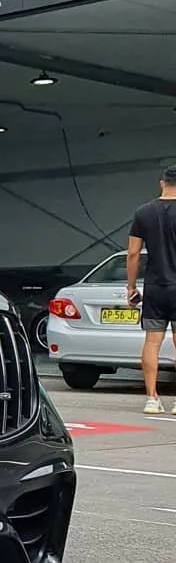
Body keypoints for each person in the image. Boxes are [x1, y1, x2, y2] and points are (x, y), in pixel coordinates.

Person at [126, 164, 176, 413]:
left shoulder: (143, 212)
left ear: (161, 183)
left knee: (151, 342)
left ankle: (152, 399)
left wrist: (131, 287)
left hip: (155, 286)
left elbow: (133, 252)